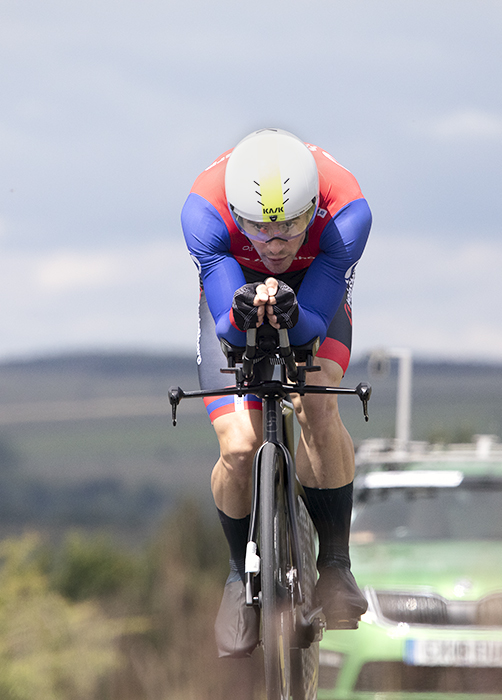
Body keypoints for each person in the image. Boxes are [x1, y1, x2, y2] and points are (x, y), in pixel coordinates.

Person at [181, 127, 372, 657]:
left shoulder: (346, 213)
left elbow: (312, 320)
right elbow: (226, 324)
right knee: (239, 446)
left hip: (316, 285)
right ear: (234, 215)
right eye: (259, 229)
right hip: (231, 281)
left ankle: (334, 564)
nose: (275, 243)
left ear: (313, 209)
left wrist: (296, 311)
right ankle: (236, 576)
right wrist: (242, 312)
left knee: (316, 402)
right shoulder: (204, 212)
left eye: (290, 227)